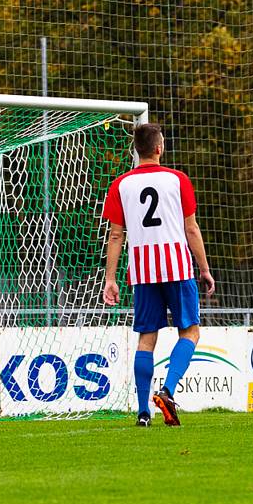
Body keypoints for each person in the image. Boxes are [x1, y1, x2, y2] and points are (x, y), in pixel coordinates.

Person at [102, 123, 215, 427]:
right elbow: (191, 228)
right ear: (158, 148)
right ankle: (167, 391)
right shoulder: (177, 179)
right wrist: (204, 269)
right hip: (177, 266)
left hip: (142, 270)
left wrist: (110, 279)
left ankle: (142, 412)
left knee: (146, 340)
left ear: (136, 150)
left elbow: (115, 236)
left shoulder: (120, 185)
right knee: (190, 331)